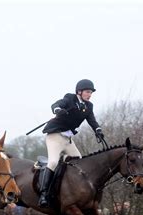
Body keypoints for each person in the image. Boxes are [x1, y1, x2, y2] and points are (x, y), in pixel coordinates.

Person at [38, 79, 105, 207]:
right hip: (55, 136)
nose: (89, 95)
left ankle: (71, 191)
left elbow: (92, 121)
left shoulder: (89, 106)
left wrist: (98, 130)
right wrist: (58, 110)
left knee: (79, 163)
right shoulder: (70, 98)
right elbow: (56, 104)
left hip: (67, 139)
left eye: (91, 92)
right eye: (87, 92)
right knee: (52, 162)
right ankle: (43, 194)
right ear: (79, 92)